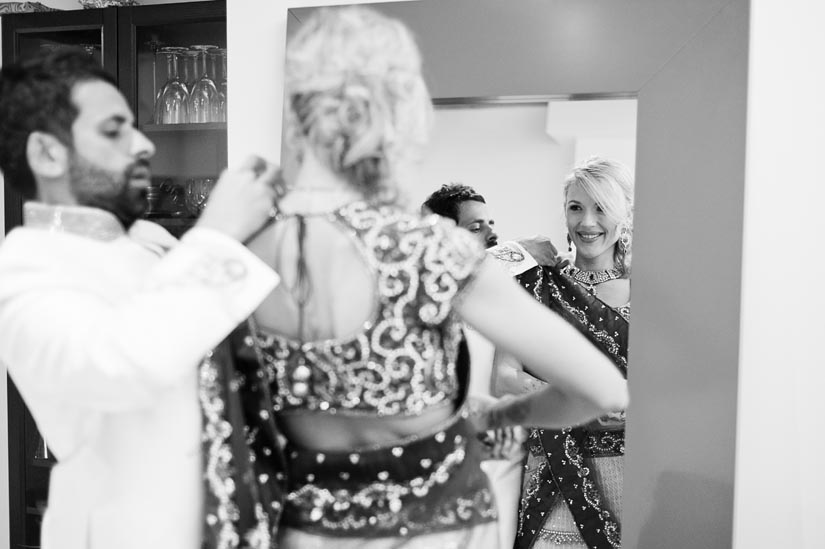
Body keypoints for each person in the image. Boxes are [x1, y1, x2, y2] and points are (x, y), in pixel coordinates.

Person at [214, 7, 627, 548]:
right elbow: (601, 388)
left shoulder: (240, 249)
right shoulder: (431, 252)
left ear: (299, 112)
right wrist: (495, 416)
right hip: (436, 530)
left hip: (305, 533)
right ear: (399, 113)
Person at [0, 49, 282, 549]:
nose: (146, 144)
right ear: (46, 154)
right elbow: (116, 367)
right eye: (114, 131)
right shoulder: (22, 269)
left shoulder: (149, 244)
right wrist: (217, 233)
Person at [493, 157, 633, 549]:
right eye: (576, 207)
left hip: (627, 471)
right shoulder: (534, 285)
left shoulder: (648, 290)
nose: (587, 222)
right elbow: (504, 377)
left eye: (602, 207)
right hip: (551, 472)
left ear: (625, 214)